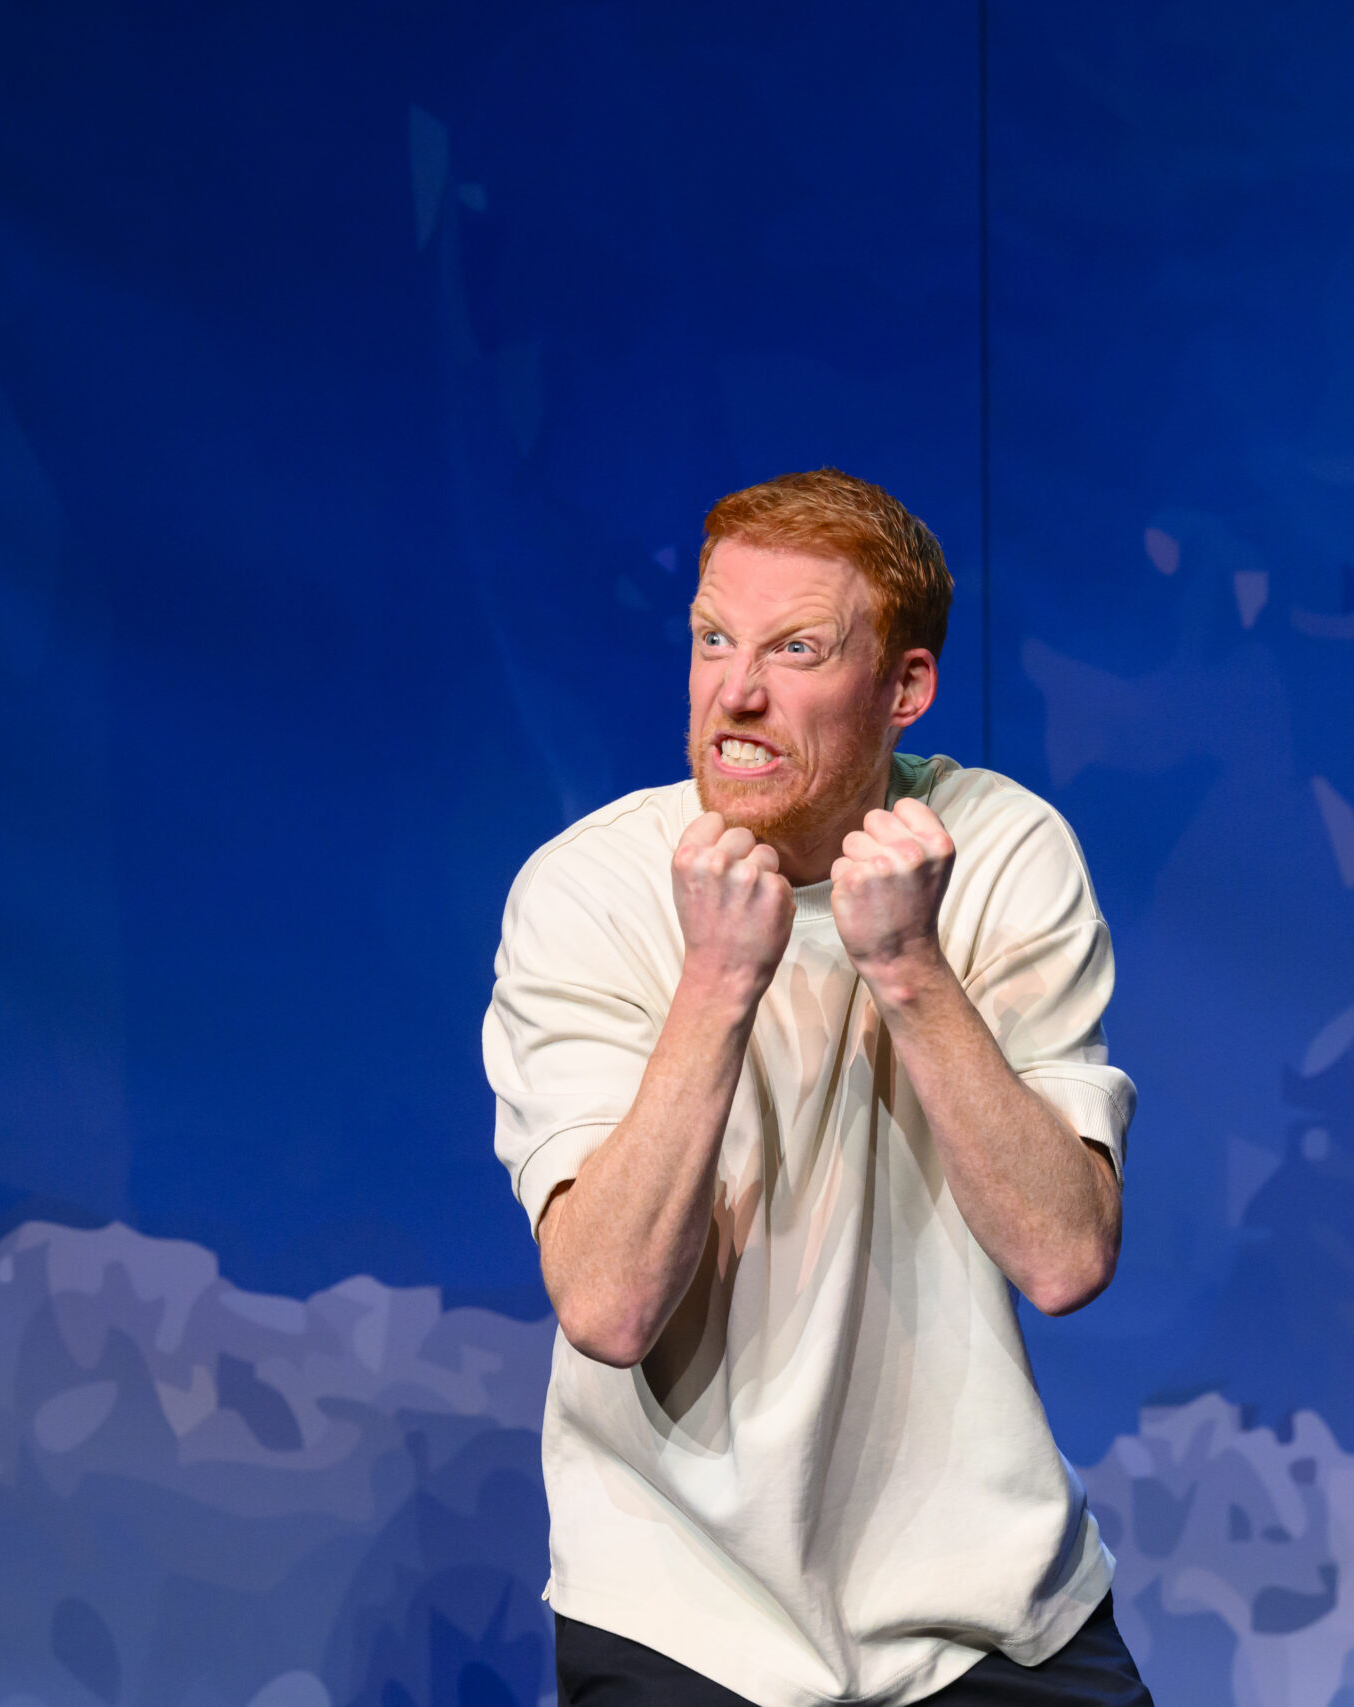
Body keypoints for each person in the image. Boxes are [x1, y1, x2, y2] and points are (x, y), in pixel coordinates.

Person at [484, 470, 1150, 1707]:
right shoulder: (584, 891)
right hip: (677, 1611)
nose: (735, 692)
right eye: (712, 639)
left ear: (905, 688)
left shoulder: (998, 850)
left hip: (987, 1611)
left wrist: (908, 967)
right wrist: (716, 983)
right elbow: (608, 1309)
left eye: (795, 650)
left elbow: (1065, 1258)